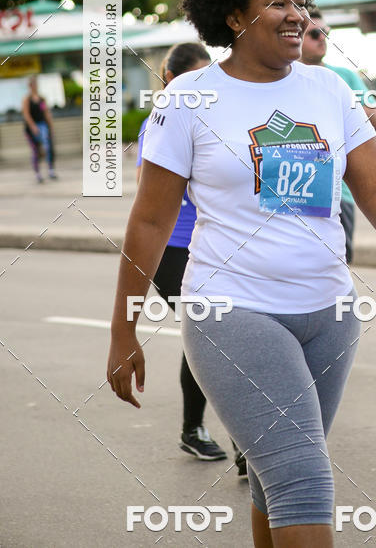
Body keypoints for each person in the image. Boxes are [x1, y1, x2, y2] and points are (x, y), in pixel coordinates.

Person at [107, 0, 376, 547]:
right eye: (278, 3)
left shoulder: (328, 89)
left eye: (300, 2)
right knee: (303, 481)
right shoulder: (190, 99)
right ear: (234, 15)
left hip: (330, 314)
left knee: (273, 478)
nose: (297, 16)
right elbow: (150, 221)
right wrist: (124, 329)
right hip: (233, 311)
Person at [135, 42, 230, 465]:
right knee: (211, 332)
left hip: (214, 245)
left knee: (230, 331)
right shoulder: (162, 123)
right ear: (172, 81)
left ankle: (246, 443)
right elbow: (147, 192)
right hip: (174, 248)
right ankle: (195, 429)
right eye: (197, 78)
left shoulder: (219, 119)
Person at [301, 6, 376, 263]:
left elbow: (373, 116)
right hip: (292, 192)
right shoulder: (280, 77)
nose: (322, 38)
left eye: (326, 32)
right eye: (314, 34)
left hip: (340, 192)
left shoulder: (343, 75)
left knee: (337, 269)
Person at [21, 76, 56, 183]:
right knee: (36, 151)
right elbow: (26, 114)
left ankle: (51, 170)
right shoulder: (27, 99)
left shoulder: (41, 99)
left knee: (48, 148)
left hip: (43, 126)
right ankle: (38, 174)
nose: (35, 86)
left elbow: (46, 112)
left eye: (36, 84)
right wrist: (33, 126)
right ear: (30, 86)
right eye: (33, 84)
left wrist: (50, 125)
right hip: (32, 128)